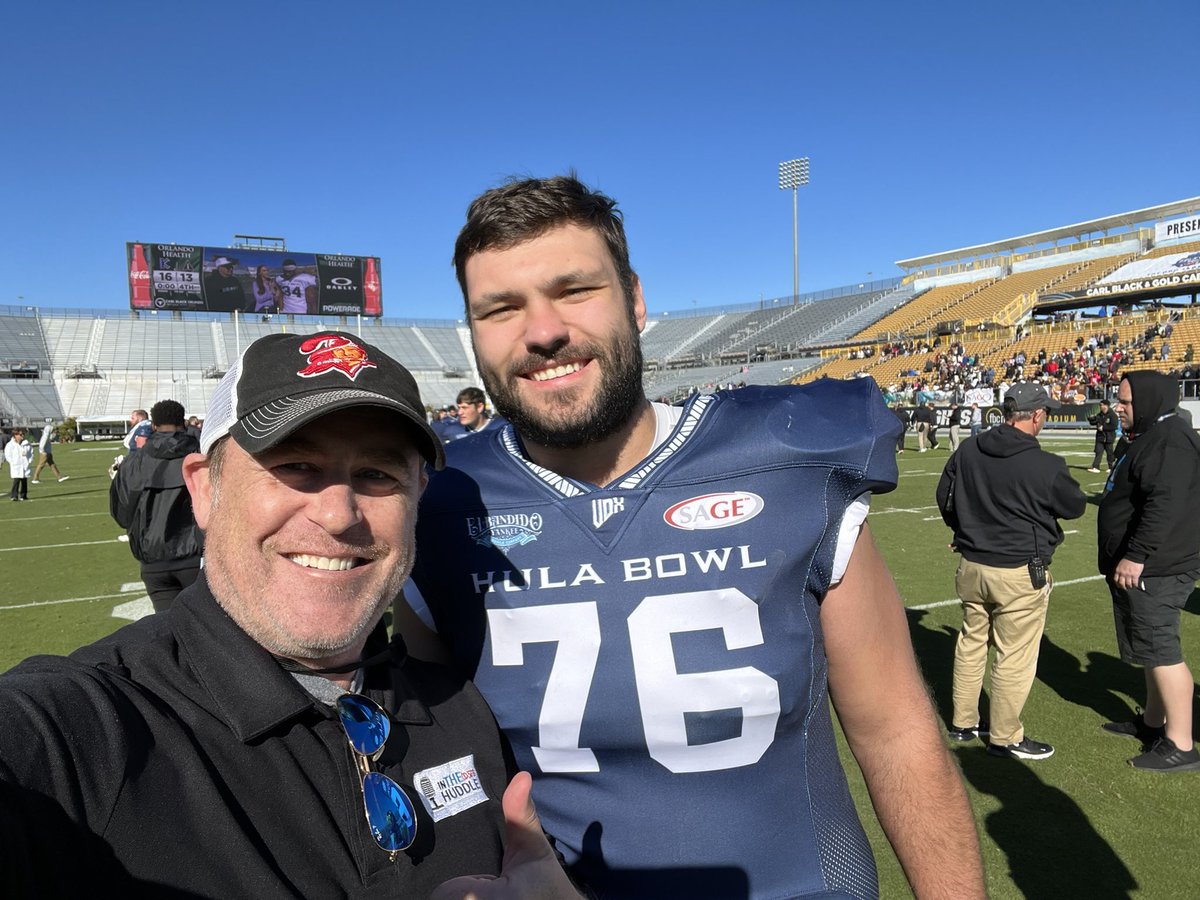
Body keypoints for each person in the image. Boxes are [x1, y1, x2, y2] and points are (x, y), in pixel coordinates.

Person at [400, 175, 985, 898]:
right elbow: (437, 751)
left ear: (635, 300)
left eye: (575, 290)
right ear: (473, 333)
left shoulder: (787, 462)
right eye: (501, 308)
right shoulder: (434, 500)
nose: (543, 331)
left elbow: (895, 728)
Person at [0, 331, 578, 897]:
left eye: (377, 475)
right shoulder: (90, 730)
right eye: (296, 464)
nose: (337, 514)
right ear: (204, 489)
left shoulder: (459, 704)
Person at [936, 382, 1086, 761]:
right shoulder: (1045, 464)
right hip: (1018, 570)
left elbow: (945, 495)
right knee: (1014, 656)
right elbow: (1074, 505)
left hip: (972, 566)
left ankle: (963, 722)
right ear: (1036, 416)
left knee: (971, 644)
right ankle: (1004, 737)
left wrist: (961, 531)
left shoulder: (970, 448)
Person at [1098, 371, 1200, 772]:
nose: (1119, 408)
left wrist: (1137, 554)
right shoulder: (1153, 435)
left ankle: (1180, 744)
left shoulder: (1171, 439)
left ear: (1150, 401)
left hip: (1158, 566)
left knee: (1162, 649)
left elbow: (1166, 504)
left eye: (1125, 402)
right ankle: (1155, 723)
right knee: (1149, 649)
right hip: (1148, 565)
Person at [109, 399, 205, 613]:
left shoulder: (134, 463)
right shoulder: (201, 457)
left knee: (169, 630)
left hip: (153, 559)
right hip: (195, 556)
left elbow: (121, 514)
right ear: (183, 422)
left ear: (153, 426)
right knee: (207, 630)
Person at [1087, 399, 1119, 473]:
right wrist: (1091, 419)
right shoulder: (1100, 415)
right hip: (1100, 437)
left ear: (1106, 406)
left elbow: (1114, 426)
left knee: (1109, 453)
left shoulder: (1112, 415)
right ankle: (1095, 467)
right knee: (1098, 452)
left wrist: (1104, 427)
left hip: (1109, 437)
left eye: (1102, 405)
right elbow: (1094, 422)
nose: (1101, 407)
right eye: (1100, 405)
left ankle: (1111, 467)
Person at [4, 428, 33, 501]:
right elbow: (8, 455)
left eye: (23, 434)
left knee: (24, 480)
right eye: (20, 434)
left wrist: (29, 461)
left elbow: (30, 453)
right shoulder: (10, 445)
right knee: (16, 480)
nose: (22, 435)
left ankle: (23, 495)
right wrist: (12, 462)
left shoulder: (27, 444)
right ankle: (14, 496)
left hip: (25, 464)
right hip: (16, 465)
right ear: (15, 435)